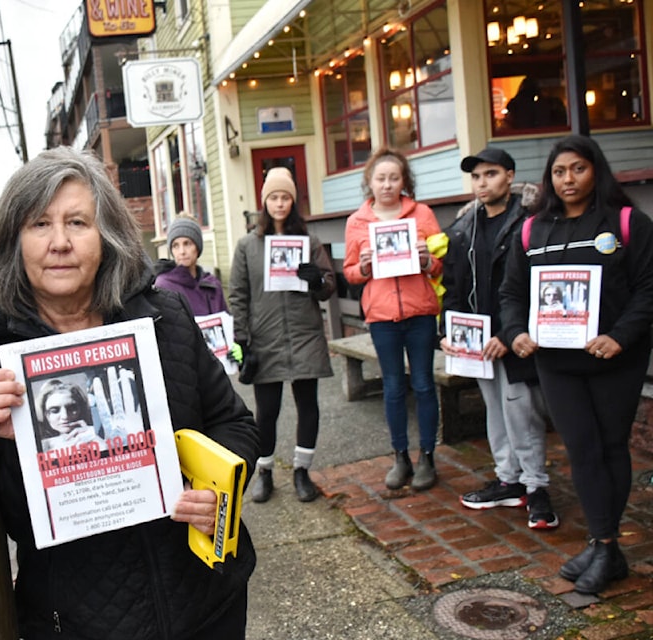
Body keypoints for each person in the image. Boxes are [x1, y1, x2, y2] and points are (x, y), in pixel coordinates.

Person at [0, 146, 258, 638]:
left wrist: (219, 496)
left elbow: (234, 423)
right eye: (39, 224)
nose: (59, 242)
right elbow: (2, 522)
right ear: (12, 241)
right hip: (83, 623)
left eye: (78, 223)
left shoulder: (164, 318)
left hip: (207, 604)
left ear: (106, 237)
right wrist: (11, 445)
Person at [500, 134, 653, 594]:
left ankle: (604, 545)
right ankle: (604, 544)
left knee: (610, 446)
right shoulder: (532, 230)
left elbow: (649, 289)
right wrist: (515, 333)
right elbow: (510, 293)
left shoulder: (628, 222)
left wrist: (619, 337)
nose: (568, 179)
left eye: (578, 169)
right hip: (556, 361)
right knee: (581, 449)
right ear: (549, 178)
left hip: (614, 360)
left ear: (596, 170)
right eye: (559, 171)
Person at [441, 147, 557, 530]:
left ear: (509, 175)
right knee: (494, 409)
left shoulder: (529, 222)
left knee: (521, 411)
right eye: (475, 177)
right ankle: (509, 479)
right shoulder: (463, 228)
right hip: (476, 343)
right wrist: (448, 331)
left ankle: (537, 487)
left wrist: (512, 333)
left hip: (514, 339)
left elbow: (537, 284)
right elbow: (453, 286)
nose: (481, 183)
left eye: (489, 174)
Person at [228, 166, 335, 503]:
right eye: (273, 197)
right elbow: (238, 293)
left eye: (285, 197)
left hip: (304, 335)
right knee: (267, 410)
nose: (279, 203)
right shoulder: (247, 245)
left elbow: (329, 286)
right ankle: (265, 471)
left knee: (308, 405)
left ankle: (302, 471)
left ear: (293, 201)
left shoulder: (309, 241)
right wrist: (243, 339)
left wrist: (316, 279)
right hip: (265, 338)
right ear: (264, 202)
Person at [343, 148, 443, 491]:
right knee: (392, 386)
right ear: (369, 182)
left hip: (420, 311)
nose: (387, 184)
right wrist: (364, 266)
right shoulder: (357, 222)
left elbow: (441, 264)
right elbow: (351, 274)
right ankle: (400, 456)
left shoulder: (423, 214)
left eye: (394, 177)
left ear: (404, 181)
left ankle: (427, 455)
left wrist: (428, 260)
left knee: (424, 384)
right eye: (380, 178)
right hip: (383, 315)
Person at [154, 215, 228, 316]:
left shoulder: (213, 284)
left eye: (187, 244)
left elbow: (227, 324)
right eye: (175, 246)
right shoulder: (163, 286)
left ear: (197, 247)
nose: (182, 252)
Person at [34, 378, 104, 452]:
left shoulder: (98, 433)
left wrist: (100, 442)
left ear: (80, 409)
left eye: (72, 408)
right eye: (55, 411)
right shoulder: (41, 446)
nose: (65, 416)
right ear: (46, 415)